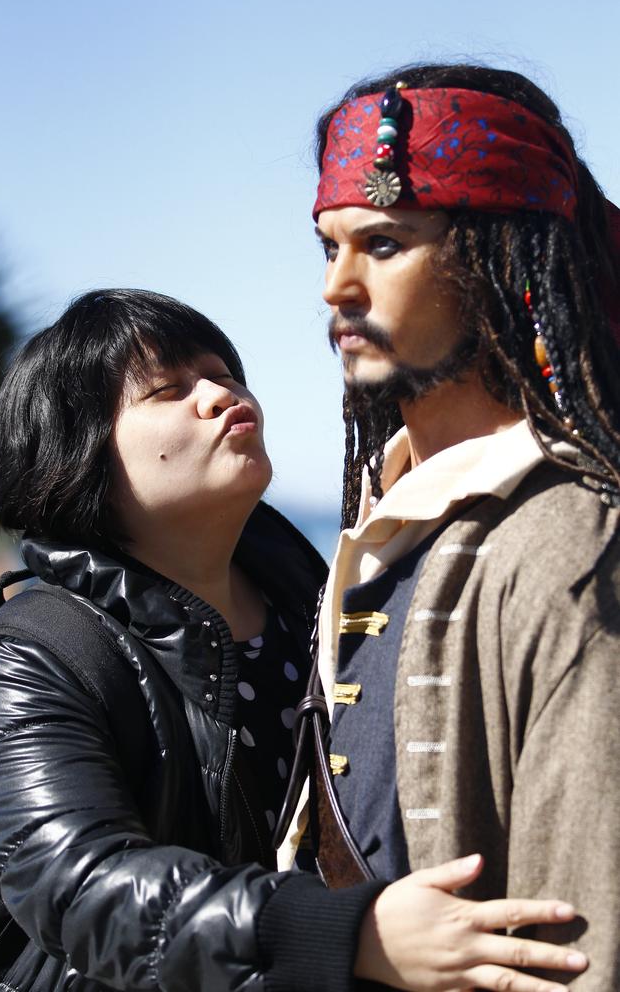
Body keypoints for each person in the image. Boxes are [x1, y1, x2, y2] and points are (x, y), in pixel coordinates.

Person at [0, 288, 587, 992]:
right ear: (76, 450)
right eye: (168, 390)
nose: (220, 395)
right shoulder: (35, 654)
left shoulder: (321, 606)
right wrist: (350, 933)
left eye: (226, 375)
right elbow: (79, 887)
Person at [306, 63, 620, 988]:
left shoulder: (570, 539)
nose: (338, 286)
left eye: (386, 243)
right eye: (328, 249)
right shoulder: (384, 520)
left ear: (497, 261)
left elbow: (584, 931)